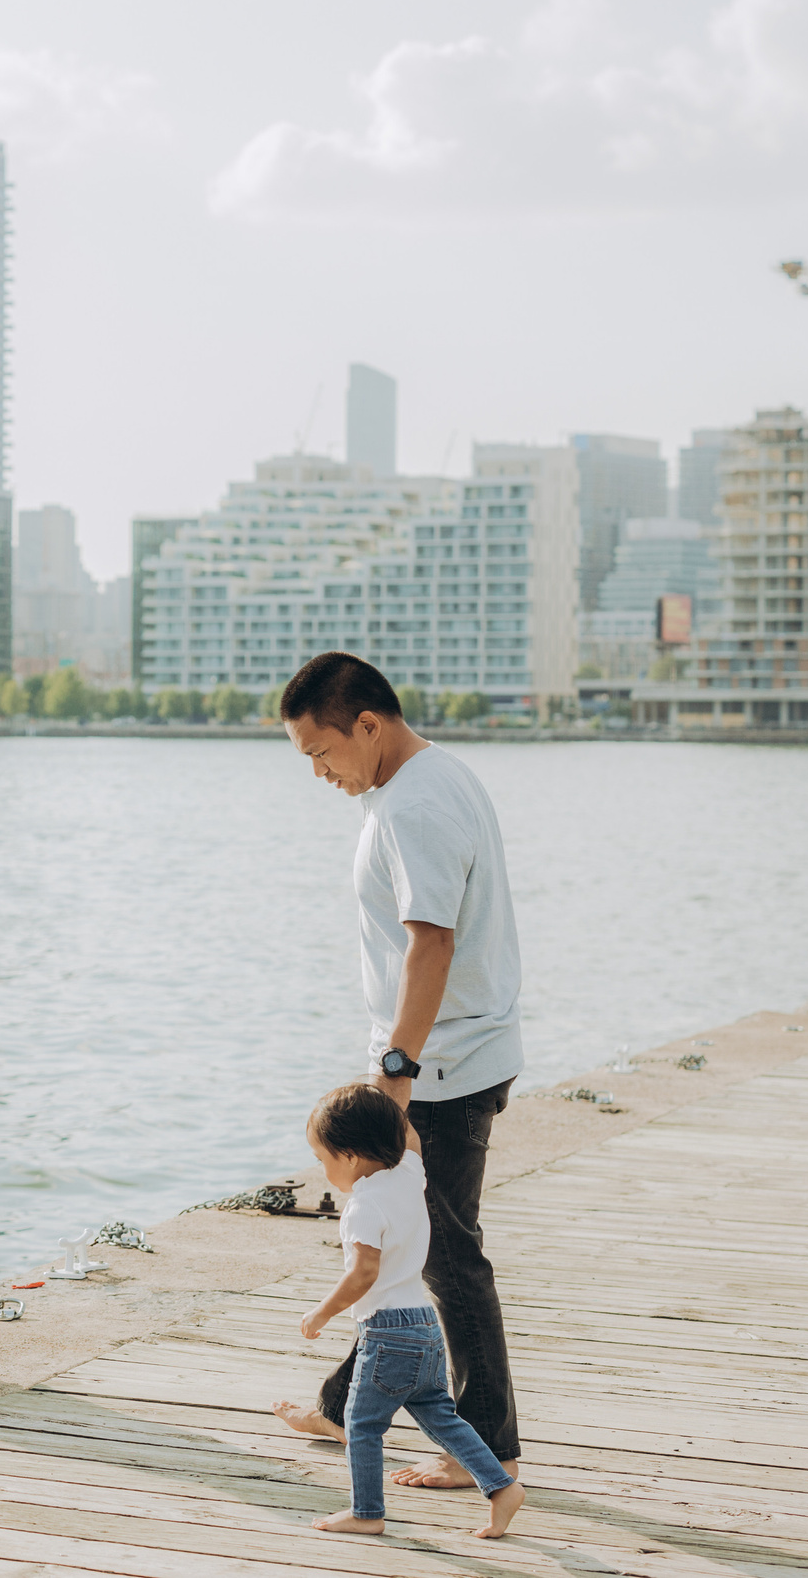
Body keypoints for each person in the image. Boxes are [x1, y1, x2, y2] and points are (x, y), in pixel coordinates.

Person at [272, 650, 523, 1491]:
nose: (318, 771)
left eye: (321, 751)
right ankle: (348, 1404)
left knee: (448, 1258)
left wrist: (395, 1072)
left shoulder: (415, 804)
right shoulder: (429, 781)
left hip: (440, 1067)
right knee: (410, 1243)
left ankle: (485, 1445)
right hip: (450, 1053)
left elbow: (432, 942)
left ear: (368, 725)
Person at [298, 1083, 525, 1539]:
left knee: (362, 1427)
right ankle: (501, 1486)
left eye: (323, 1160)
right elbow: (411, 1137)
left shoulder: (362, 1205)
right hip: (425, 1327)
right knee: (444, 1420)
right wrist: (384, 1103)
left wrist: (321, 1313)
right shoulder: (408, 1172)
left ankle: (367, 1512)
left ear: (349, 1156)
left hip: (386, 1335)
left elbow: (363, 1274)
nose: (323, 1171)